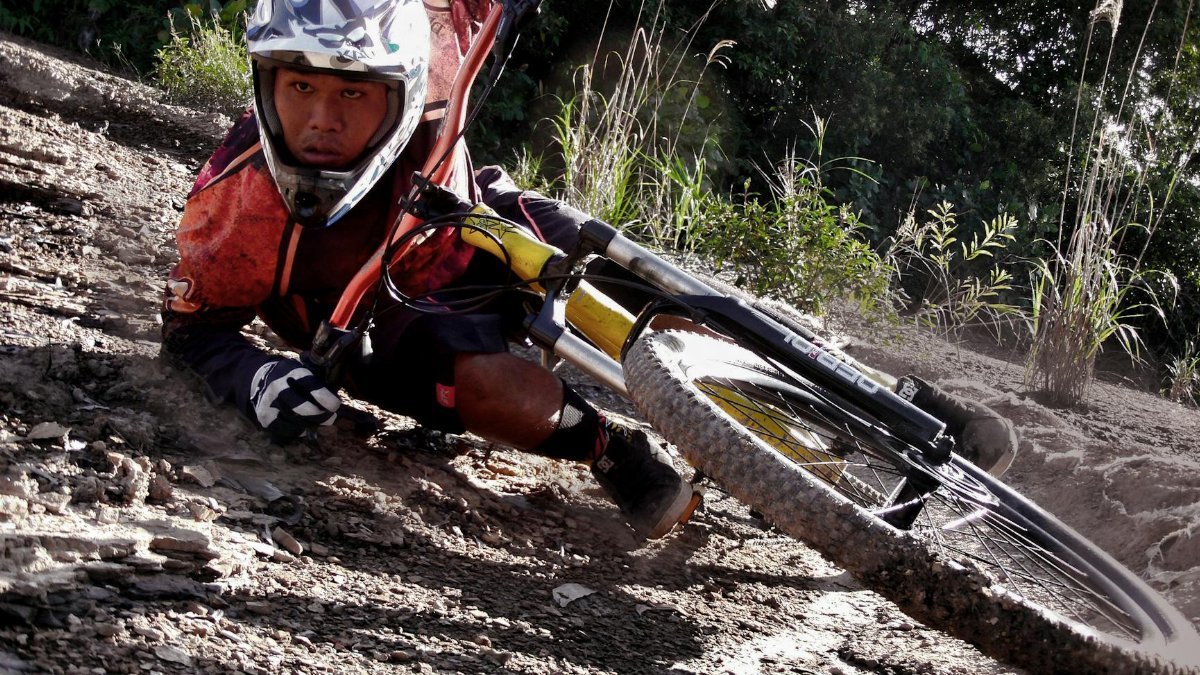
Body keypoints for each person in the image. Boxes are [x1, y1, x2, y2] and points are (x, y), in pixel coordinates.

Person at [160, 0, 1016, 541]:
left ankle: (888, 395)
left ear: (403, 84)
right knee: (487, 379)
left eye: (353, 95)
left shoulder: (431, 23)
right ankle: (616, 452)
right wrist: (256, 378)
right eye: (300, 89)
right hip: (383, 315)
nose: (320, 119)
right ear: (264, 83)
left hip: (465, 215)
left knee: (664, 290)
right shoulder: (238, 203)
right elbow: (192, 328)